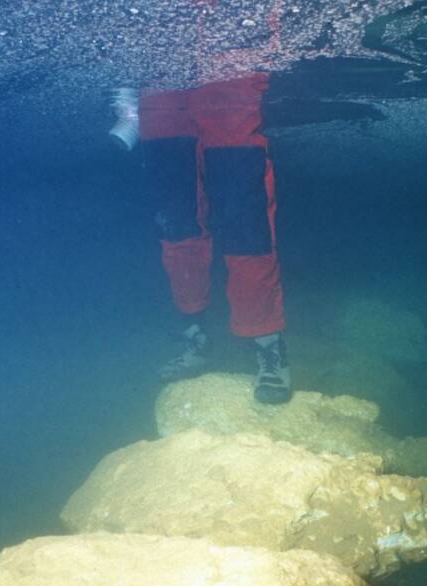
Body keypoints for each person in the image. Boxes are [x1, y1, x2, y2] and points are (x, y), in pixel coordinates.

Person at [109, 6, 291, 405]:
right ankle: (193, 332)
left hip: (231, 68)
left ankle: (266, 341)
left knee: (244, 217)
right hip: (161, 82)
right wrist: (126, 103)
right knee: (176, 220)